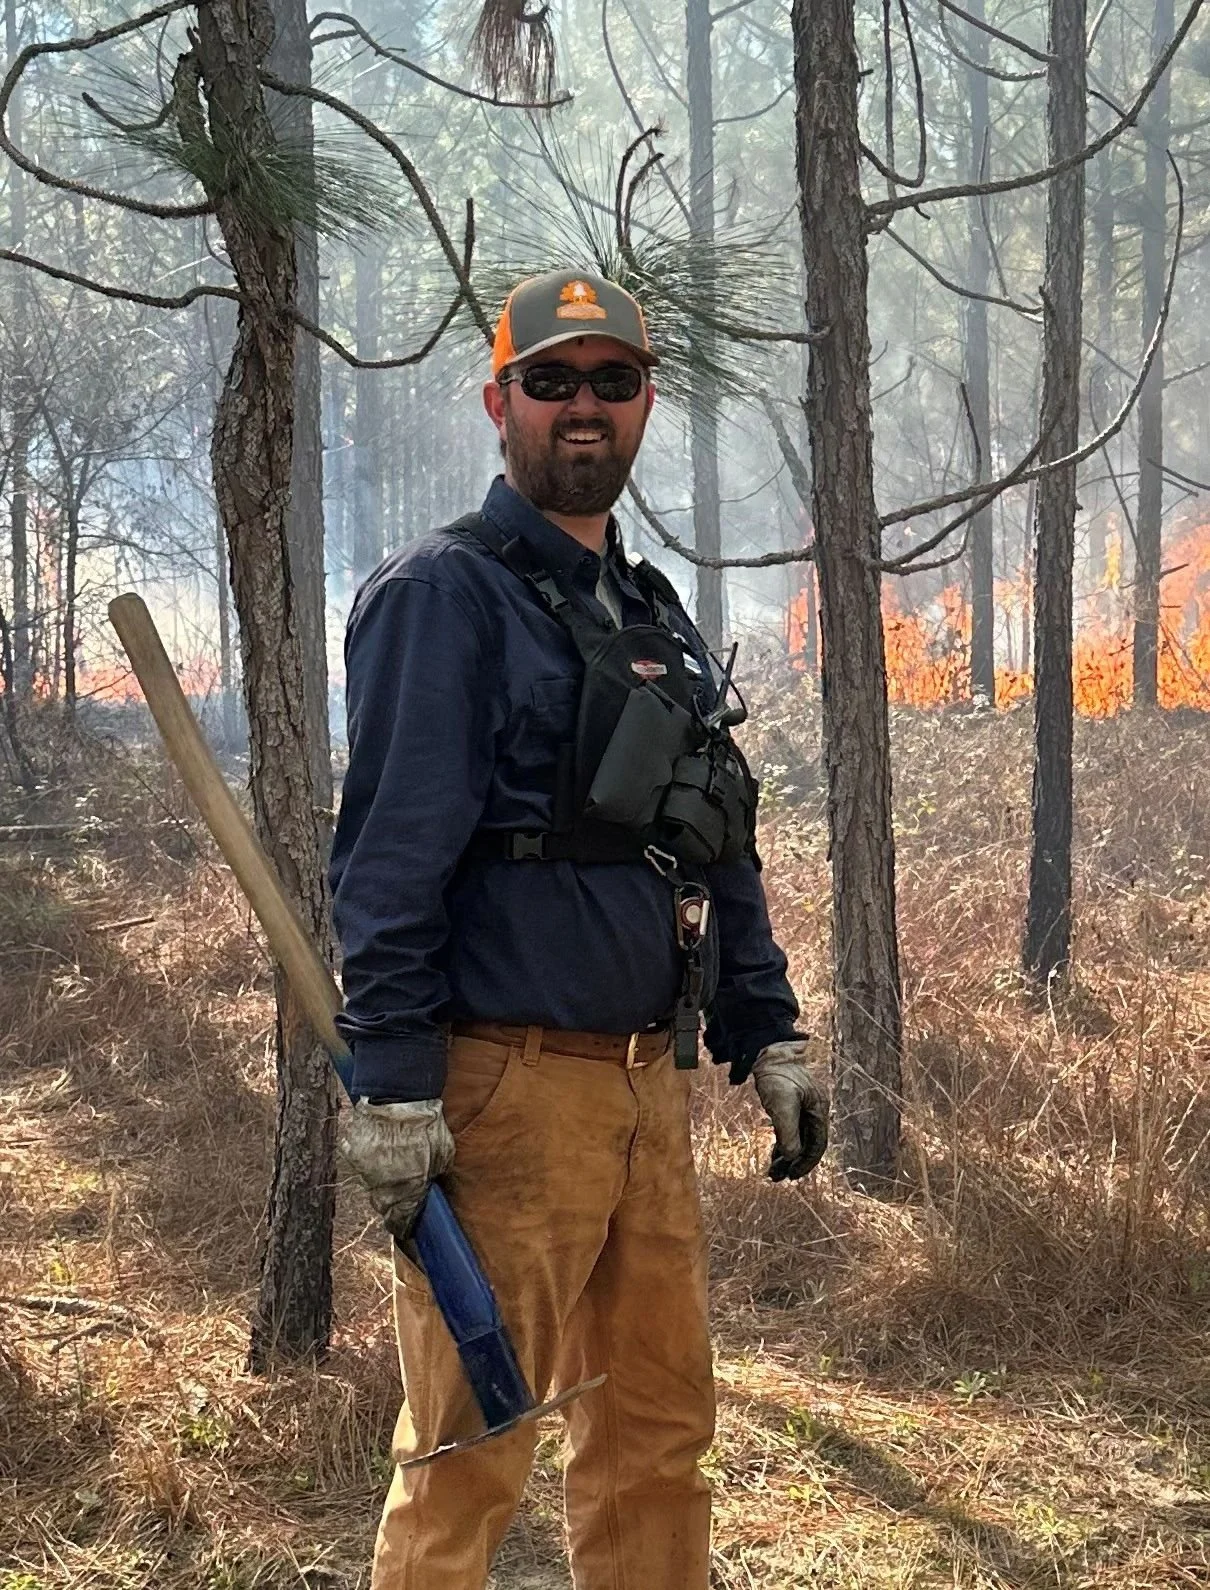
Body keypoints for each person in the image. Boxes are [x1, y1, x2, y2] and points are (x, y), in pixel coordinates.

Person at [330, 268, 829, 1590]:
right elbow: (386, 860)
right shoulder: (442, 595)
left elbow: (715, 843)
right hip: (503, 1094)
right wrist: (389, 1083)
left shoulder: (651, 613)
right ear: (499, 402)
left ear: (646, 401)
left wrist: (766, 1026)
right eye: (550, 382)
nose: (582, 407)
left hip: (641, 1092)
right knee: (467, 1453)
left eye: (611, 380)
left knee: (659, 1436)